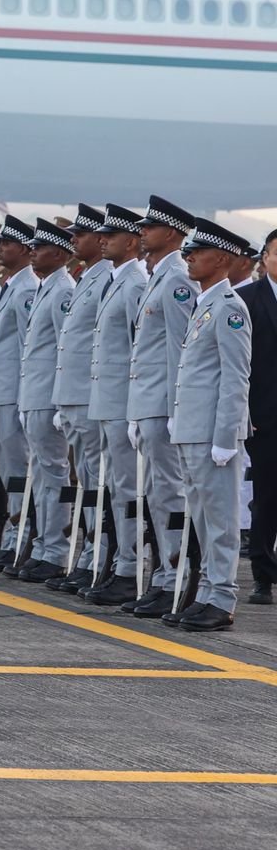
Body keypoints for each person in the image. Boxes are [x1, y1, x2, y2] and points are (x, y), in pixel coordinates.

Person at [166, 218, 253, 632]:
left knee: (220, 520)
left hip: (213, 434)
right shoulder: (205, 304)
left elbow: (235, 377)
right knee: (201, 518)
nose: (188, 258)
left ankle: (222, 597)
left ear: (220, 259)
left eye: (196, 253)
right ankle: (205, 592)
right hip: (192, 429)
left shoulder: (230, 307)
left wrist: (225, 437)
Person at [124, 195, 197, 615]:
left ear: (170, 233)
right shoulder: (158, 277)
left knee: (170, 495)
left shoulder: (177, 280)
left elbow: (179, 351)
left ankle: (176, 578)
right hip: (147, 405)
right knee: (155, 493)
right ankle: (165, 575)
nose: (142, 233)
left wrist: (174, 410)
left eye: (149, 228)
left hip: (163, 407)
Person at [81, 205, 149, 603]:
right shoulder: (115, 280)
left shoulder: (135, 282)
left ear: (131, 242)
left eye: (111, 235)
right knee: (114, 488)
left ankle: (129, 568)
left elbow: (139, 350)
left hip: (124, 405)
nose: (101, 239)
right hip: (106, 403)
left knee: (128, 489)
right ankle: (118, 563)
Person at [49, 205, 113, 592]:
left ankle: (100, 559)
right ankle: (90, 557)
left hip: (94, 399)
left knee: (99, 483)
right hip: (74, 398)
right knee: (88, 481)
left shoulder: (109, 279)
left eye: (81, 235)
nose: (75, 240)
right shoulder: (88, 277)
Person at [16, 220, 78, 583]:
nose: (33, 252)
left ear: (58, 253)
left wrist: (56, 403)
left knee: (53, 473)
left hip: (46, 398)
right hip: (32, 395)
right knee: (40, 474)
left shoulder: (63, 291)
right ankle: (42, 546)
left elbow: (63, 351)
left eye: (40, 247)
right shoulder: (46, 288)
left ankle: (54, 551)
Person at [0, 216, 37, 571]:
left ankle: (21, 536)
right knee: (5, 470)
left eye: (7, 244)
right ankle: (13, 535)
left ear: (25, 250)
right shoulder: (12, 285)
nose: (0, 248)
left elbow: (30, 347)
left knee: (18, 471)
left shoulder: (27, 288)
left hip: (14, 393)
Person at [237, 229, 277, 605]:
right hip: (265, 417)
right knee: (266, 498)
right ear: (264, 258)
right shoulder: (245, 300)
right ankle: (263, 575)